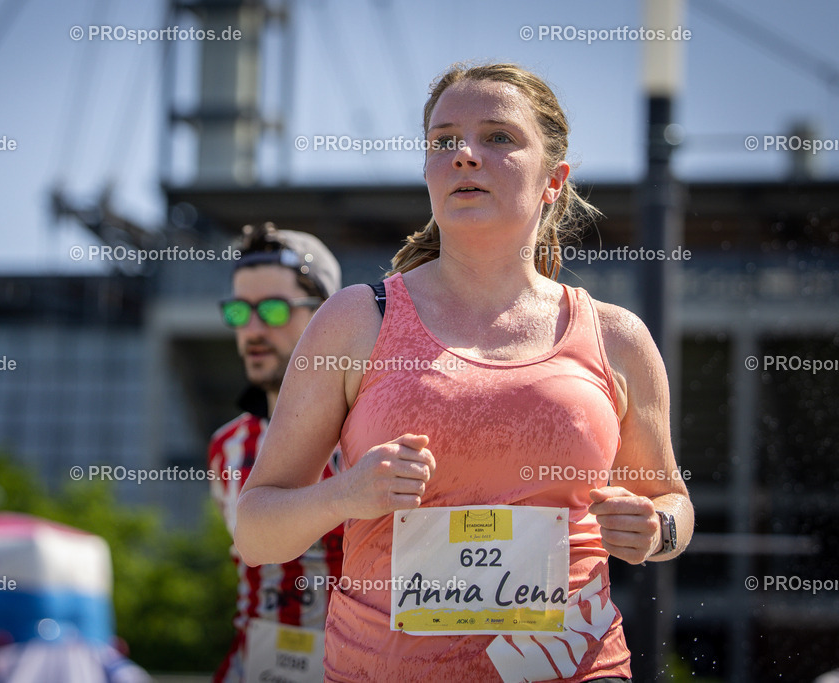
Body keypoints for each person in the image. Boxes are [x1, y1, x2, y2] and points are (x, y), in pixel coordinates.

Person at [233, 63, 694, 682]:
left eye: (498, 138)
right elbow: (256, 531)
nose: (466, 155)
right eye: (444, 140)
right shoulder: (356, 320)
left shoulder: (617, 336)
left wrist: (656, 527)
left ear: (553, 179)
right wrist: (347, 492)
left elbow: (671, 501)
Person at [208, 222, 345, 683]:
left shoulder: (373, 434)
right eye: (238, 312)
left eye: (272, 309)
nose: (251, 329)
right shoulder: (227, 446)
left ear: (328, 316)